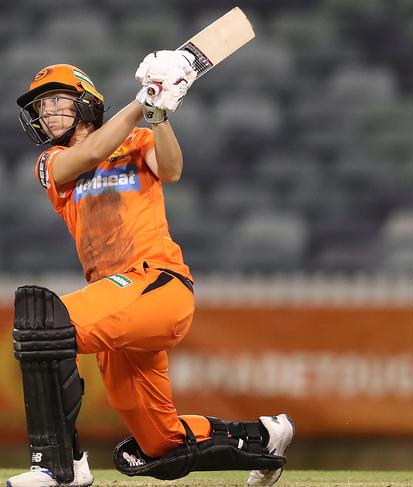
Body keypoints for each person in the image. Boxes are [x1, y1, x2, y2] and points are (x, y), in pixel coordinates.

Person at [9, 54, 293, 487]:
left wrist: (158, 116)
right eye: (41, 108)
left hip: (155, 285)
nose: (46, 115)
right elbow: (91, 153)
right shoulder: (51, 163)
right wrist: (142, 103)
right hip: (115, 303)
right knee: (159, 443)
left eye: (56, 102)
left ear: (85, 103)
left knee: (43, 324)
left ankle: (61, 467)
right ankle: (266, 437)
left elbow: (173, 168)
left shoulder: (139, 139)